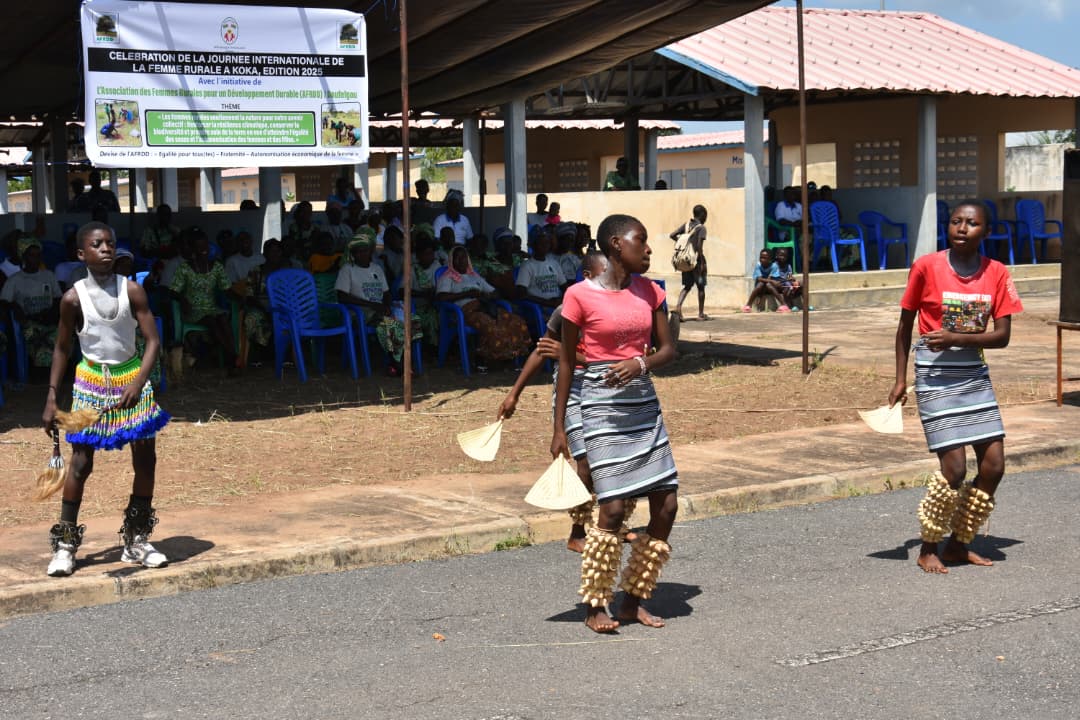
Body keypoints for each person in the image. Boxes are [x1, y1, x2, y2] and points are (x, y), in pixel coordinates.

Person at [551, 213, 678, 633]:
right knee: (613, 508)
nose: (648, 249)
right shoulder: (578, 296)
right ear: (614, 246)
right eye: (639, 241)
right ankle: (595, 606)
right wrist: (559, 429)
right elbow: (566, 363)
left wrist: (639, 363)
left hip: (643, 405)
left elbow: (668, 350)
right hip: (600, 406)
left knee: (667, 504)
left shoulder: (652, 291)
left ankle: (634, 599)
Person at [890, 200, 1023, 575]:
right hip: (933, 377)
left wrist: (956, 337)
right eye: (955, 221)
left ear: (987, 231)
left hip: (973, 377)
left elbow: (1002, 337)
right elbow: (904, 327)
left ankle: (959, 543)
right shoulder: (926, 267)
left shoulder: (996, 273)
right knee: (954, 470)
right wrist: (901, 379)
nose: (962, 228)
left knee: (994, 465)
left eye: (972, 223)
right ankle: (928, 546)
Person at [41, 221, 170, 577]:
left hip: (132, 379)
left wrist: (139, 382)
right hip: (91, 384)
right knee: (81, 464)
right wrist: (52, 396)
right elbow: (63, 348)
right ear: (81, 254)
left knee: (146, 460)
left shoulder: (132, 290)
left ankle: (136, 538)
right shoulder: (72, 299)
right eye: (97, 244)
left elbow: (153, 341)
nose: (106, 249)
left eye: (110, 243)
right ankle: (66, 544)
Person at [499, 252, 634, 554]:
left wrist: (570, 353)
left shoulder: (617, 310)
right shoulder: (567, 310)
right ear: (587, 277)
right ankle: (577, 531)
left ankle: (614, 524)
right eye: (604, 277)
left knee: (613, 460)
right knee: (584, 462)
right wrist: (514, 394)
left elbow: (613, 362)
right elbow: (542, 350)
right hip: (572, 392)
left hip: (606, 390)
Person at [336, 230, 418, 377]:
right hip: (359, 312)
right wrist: (372, 305)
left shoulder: (376, 268)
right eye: (358, 252)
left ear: (370, 251)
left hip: (379, 310)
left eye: (365, 251)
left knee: (409, 320)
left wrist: (386, 305)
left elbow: (386, 293)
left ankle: (398, 363)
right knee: (390, 324)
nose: (362, 254)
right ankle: (400, 365)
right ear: (352, 253)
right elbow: (342, 296)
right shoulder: (347, 269)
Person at [435, 246, 530, 370]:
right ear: (451, 260)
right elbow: (441, 298)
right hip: (463, 312)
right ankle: (485, 359)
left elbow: (495, 292)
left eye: (463, 257)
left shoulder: (474, 276)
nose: (461, 260)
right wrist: (466, 294)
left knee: (516, 321)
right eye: (457, 258)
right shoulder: (447, 277)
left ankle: (511, 357)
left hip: (484, 307)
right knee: (490, 325)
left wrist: (486, 295)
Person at [167, 227, 241, 375]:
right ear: (193, 248)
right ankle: (232, 358)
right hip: (193, 310)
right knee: (211, 321)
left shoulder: (217, 267)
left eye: (205, 245)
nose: (204, 250)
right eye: (199, 246)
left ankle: (232, 357)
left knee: (222, 319)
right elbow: (173, 291)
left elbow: (226, 289)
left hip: (212, 307)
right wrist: (183, 300)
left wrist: (239, 298)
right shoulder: (184, 268)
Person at [0, 237, 62, 369]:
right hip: (29, 323)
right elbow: (4, 301)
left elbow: (58, 298)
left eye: (38, 255)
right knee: (37, 342)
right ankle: (38, 376)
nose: (35, 259)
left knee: (60, 339)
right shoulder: (15, 280)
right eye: (31, 256)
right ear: (24, 257)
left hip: (48, 320)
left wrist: (51, 312)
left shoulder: (48, 275)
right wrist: (15, 306)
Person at [672, 204, 709, 321]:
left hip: (686, 261)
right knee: (701, 286)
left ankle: (678, 307)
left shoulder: (686, 225)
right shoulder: (701, 228)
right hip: (697, 261)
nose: (706, 218)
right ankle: (701, 314)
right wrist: (702, 262)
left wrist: (683, 242)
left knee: (687, 286)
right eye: (705, 215)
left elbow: (672, 235)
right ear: (702, 215)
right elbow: (699, 246)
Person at [515, 230, 569, 309]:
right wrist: (547, 302)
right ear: (533, 245)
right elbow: (522, 294)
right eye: (541, 243)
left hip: (557, 305)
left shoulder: (554, 263)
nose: (545, 246)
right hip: (539, 307)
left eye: (547, 242)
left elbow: (564, 287)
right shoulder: (527, 266)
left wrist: (560, 300)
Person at [741, 249, 790, 313]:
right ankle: (748, 305)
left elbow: (770, 278)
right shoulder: (758, 265)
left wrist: (771, 281)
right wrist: (772, 281)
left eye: (764, 258)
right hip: (760, 287)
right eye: (761, 257)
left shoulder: (774, 266)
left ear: (770, 259)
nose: (762, 259)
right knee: (760, 284)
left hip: (769, 287)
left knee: (768, 284)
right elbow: (759, 279)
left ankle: (784, 304)